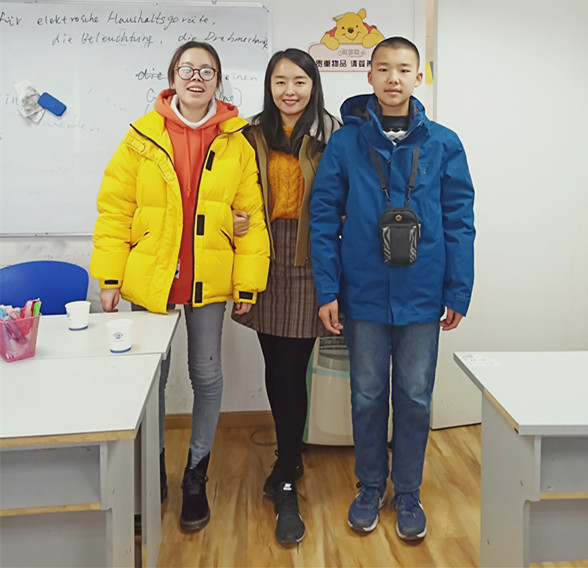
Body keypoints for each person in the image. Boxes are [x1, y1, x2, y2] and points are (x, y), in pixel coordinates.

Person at [90, 41, 270, 533]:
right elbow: (115, 210)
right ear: (172, 77)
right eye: (187, 69)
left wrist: (247, 284)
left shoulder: (236, 140)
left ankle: (195, 474)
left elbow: (251, 217)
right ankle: (152, 472)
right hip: (152, 279)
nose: (196, 78)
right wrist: (109, 277)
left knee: (206, 375)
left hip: (208, 279)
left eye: (207, 71)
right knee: (151, 379)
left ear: (218, 81)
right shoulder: (141, 137)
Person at [309, 37, 475, 541]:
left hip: (423, 294)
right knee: (366, 395)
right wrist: (327, 289)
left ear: (418, 77)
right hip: (362, 293)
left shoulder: (443, 143)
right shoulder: (346, 144)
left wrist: (458, 290)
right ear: (370, 77)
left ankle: (407, 491)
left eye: (404, 69)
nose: (394, 78)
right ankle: (369, 486)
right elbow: (322, 218)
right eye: (383, 69)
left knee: (416, 396)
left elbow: (459, 222)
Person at [232, 48, 340, 545]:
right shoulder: (250, 134)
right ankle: (289, 457)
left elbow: (347, 195)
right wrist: (233, 219)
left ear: (313, 85)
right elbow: (229, 191)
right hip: (262, 255)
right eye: (280, 81)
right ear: (269, 86)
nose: (290, 91)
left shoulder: (333, 134)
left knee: (290, 369)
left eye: (300, 81)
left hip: (310, 258)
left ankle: (288, 470)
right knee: (273, 363)